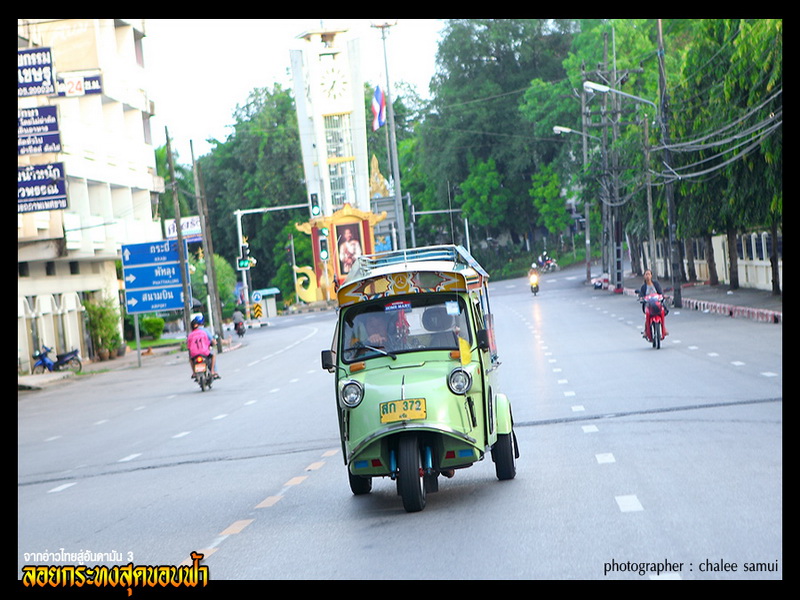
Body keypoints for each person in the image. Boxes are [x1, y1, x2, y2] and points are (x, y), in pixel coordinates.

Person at [638, 269, 669, 337]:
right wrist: (641, 298)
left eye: (649, 274)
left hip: (657, 304)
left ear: (651, 275)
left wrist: (663, 296)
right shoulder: (643, 287)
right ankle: (646, 331)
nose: (648, 276)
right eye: (646, 274)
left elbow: (660, 292)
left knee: (662, 312)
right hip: (648, 305)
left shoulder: (656, 284)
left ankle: (664, 329)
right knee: (647, 316)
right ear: (644, 276)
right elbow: (641, 295)